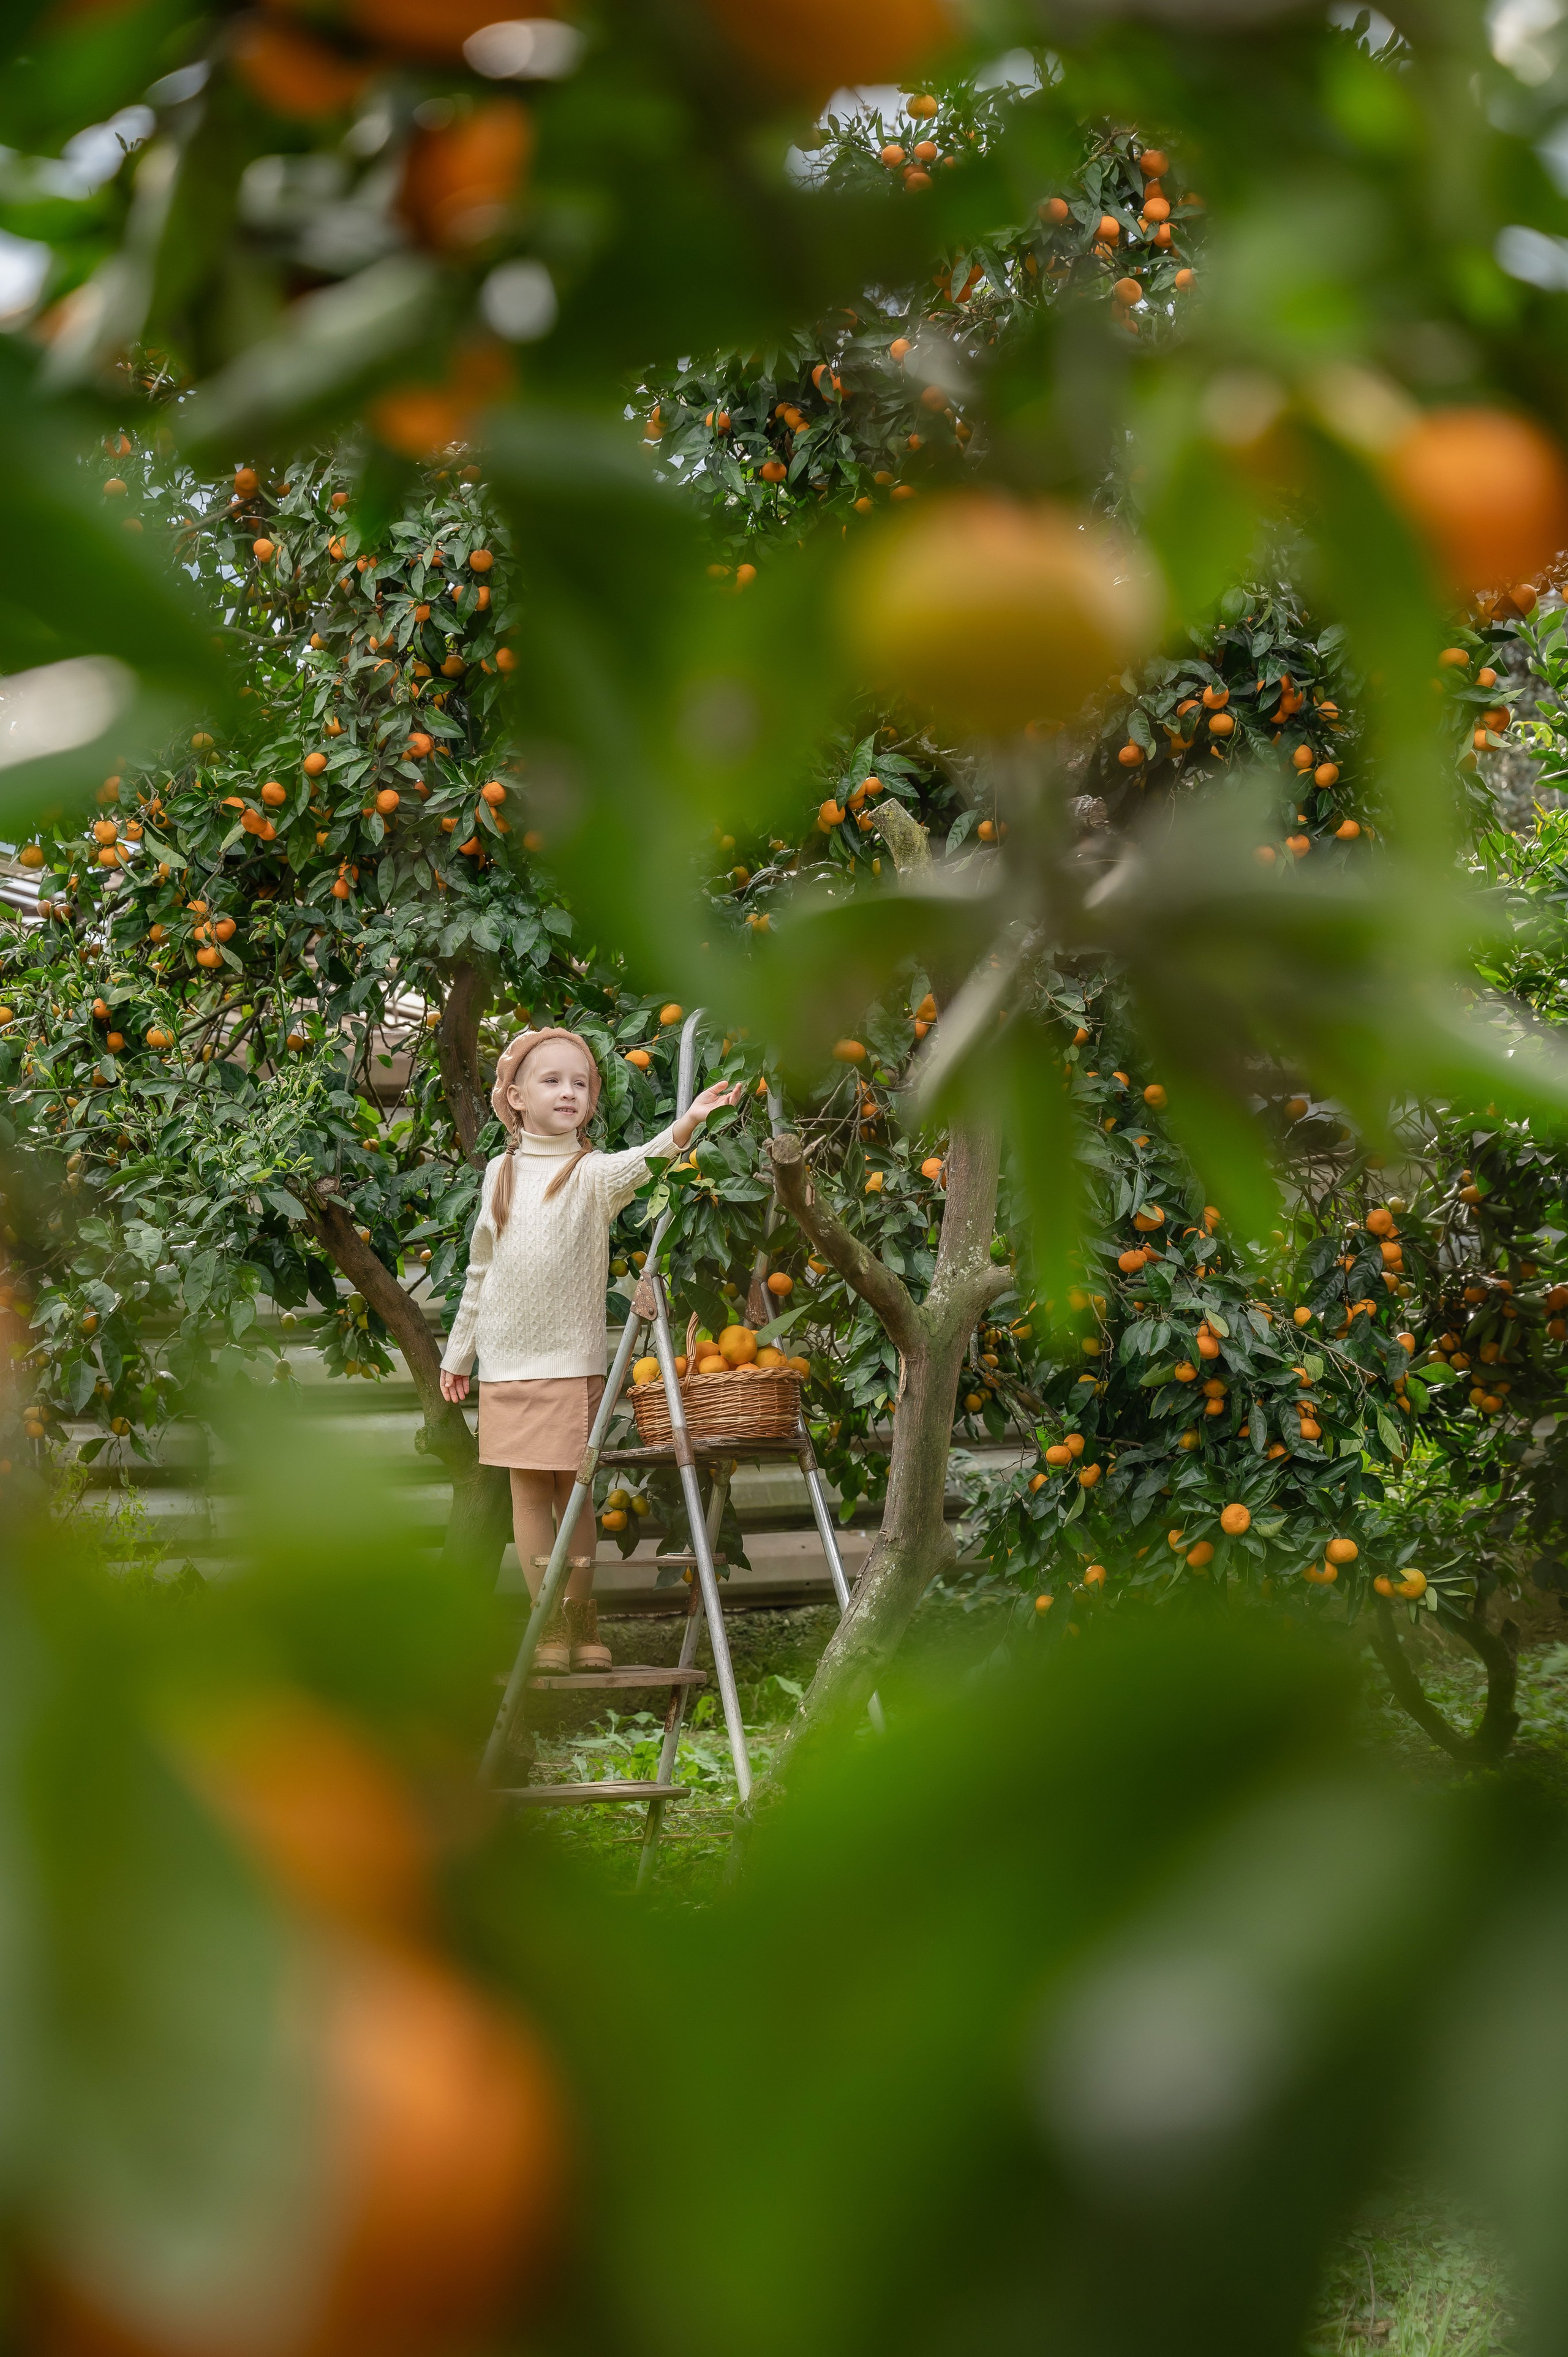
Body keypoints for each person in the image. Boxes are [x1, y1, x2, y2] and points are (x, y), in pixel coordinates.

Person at [439, 1027, 740, 1672]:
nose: (569, 1091)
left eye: (581, 1082)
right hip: (507, 1362)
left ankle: (581, 1615)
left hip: (571, 1361)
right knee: (527, 1491)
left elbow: (647, 1159)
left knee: (572, 1490)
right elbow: (479, 1271)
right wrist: (459, 1352)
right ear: (515, 1097)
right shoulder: (500, 1173)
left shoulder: (591, 1174)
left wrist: (689, 1120)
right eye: (552, 1080)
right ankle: (546, 1621)